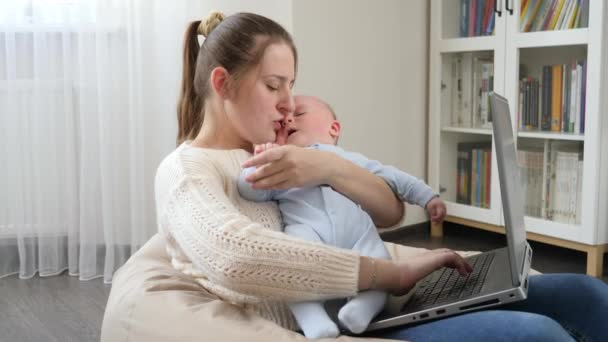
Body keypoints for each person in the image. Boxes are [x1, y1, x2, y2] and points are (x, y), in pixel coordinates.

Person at [102, 10, 608, 342]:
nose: (288, 102)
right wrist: (389, 274)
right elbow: (235, 256)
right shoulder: (188, 169)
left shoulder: (286, 149)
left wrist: (327, 165)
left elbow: (388, 210)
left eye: (292, 86)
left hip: (380, 290)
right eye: (274, 85)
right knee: (539, 335)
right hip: (348, 316)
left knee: (589, 295)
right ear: (223, 84)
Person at [237, 95, 448, 338]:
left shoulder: (348, 159)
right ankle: (313, 320)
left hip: (358, 235)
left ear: (333, 128)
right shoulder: (283, 166)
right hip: (308, 232)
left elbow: (393, 177)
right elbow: (249, 189)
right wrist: (260, 162)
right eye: (283, 120)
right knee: (293, 266)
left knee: (382, 262)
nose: (288, 119)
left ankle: (360, 310)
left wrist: (427, 197)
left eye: (300, 113)